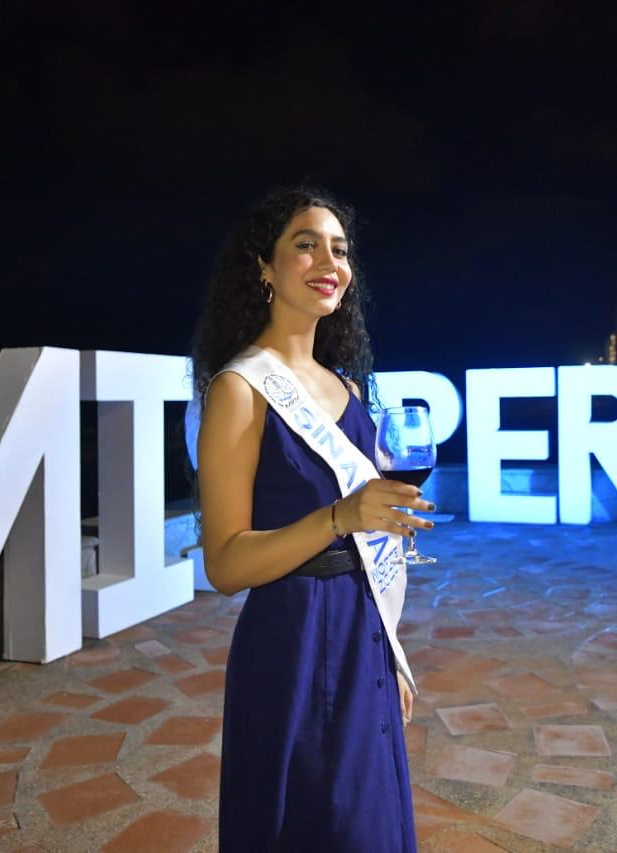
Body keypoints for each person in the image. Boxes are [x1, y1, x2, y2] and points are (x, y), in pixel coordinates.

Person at [191, 186, 430, 850]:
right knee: (316, 823)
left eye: (340, 249)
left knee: (369, 820)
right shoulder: (239, 390)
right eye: (306, 245)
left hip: (361, 630)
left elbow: (362, 528)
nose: (330, 262)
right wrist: (340, 515)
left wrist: (389, 654)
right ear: (263, 267)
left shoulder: (348, 387)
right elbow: (225, 565)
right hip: (293, 641)